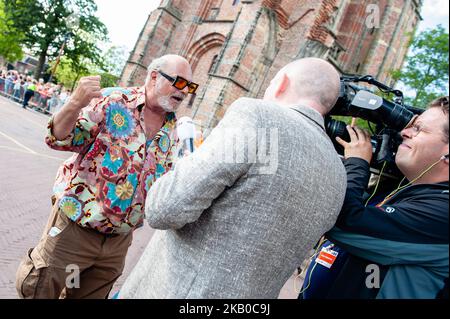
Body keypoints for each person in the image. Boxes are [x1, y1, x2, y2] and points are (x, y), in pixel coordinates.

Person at [118, 57, 347, 299]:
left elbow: (164, 209)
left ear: (281, 83)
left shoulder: (259, 116)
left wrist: (186, 161)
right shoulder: (338, 172)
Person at [15, 54, 198, 299]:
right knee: (40, 291)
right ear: (154, 76)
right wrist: (74, 103)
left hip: (118, 243)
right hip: (75, 227)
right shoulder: (114, 101)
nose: (184, 91)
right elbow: (58, 138)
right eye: (179, 82)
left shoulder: (174, 130)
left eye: (190, 86)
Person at [299, 96, 449, 299]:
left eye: (418, 129)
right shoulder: (403, 190)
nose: (404, 132)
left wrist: (356, 163)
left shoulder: (442, 213)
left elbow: (341, 219)